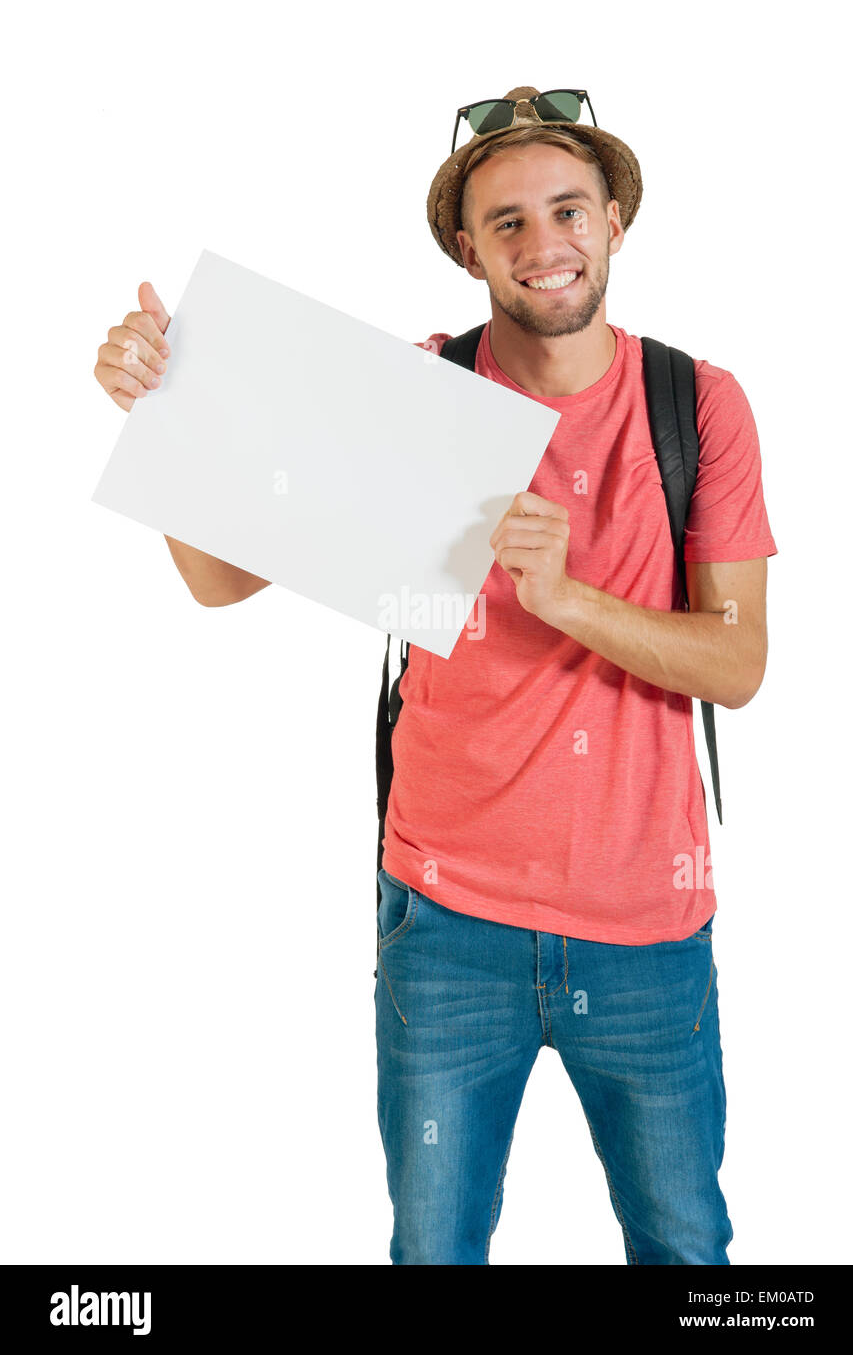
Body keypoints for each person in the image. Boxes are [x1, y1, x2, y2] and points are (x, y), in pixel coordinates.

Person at [93, 85, 778, 1266]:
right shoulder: (423, 394)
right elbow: (221, 579)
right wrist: (167, 421)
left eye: (567, 209)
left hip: (648, 929)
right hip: (448, 922)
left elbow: (738, 661)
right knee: (434, 1251)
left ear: (615, 219)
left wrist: (571, 600)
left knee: (688, 1254)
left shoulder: (696, 404)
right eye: (505, 222)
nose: (542, 244)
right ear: (467, 248)